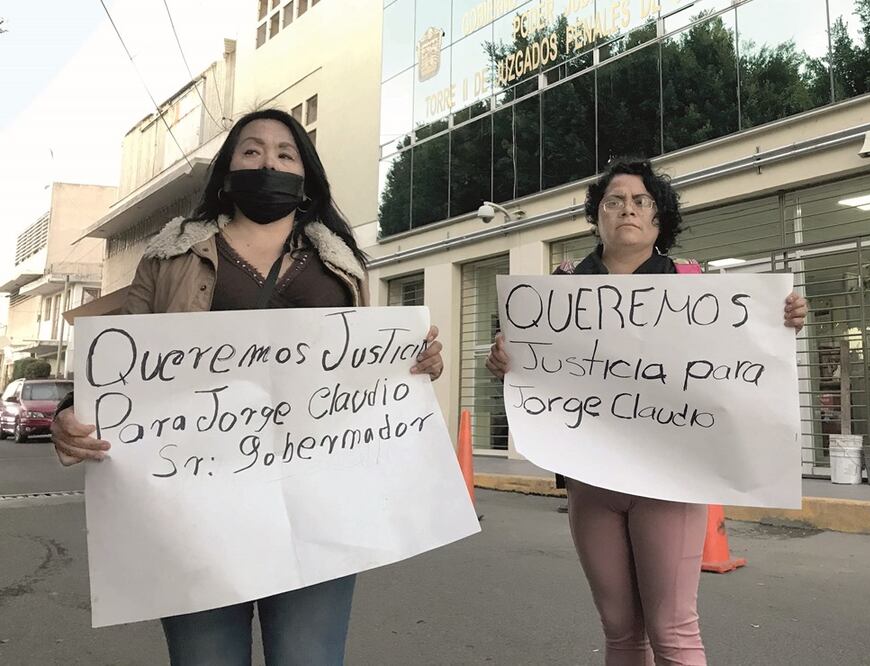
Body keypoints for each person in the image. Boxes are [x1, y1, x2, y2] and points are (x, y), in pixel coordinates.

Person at [50, 109, 445, 665]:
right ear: (228, 170)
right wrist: (71, 411)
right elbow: (119, 362)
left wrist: (415, 360)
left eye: (286, 154)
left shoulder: (341, 264)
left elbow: (365, 373)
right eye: (251, 151)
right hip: (195, 510)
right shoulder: (167, 259)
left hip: (320, 506)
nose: (269, 162)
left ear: (306, 176)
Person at [486, 158, 807, 666]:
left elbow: (741, 355)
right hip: (591, 482)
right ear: (597, 217)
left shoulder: (693, 283)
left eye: (641, 201)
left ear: (660, 218)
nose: (627, 210)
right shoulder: (561, 288)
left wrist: (781, 319)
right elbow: (526, 369)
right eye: (613, 201)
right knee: (619, 630)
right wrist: (504, 362)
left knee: (673, 630)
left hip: (671, 481)